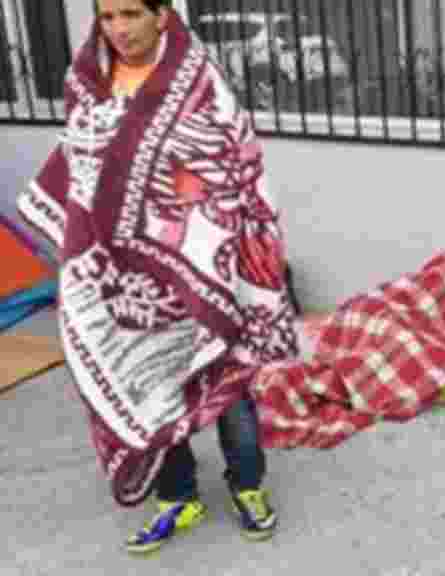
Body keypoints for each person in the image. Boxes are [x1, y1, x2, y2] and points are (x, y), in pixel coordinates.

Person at [18, 0, 295, 553]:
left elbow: (231, 162)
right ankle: (177, 495)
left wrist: (189, 213)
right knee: (147, 380)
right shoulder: (87, 81)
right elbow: (82, 167)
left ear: (162, 15)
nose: (119, 29)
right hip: (119, 272)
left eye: (131, 14)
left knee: (226, 375)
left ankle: (247, 485)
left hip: (201, 259)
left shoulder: (200, 81)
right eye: (108, 17)